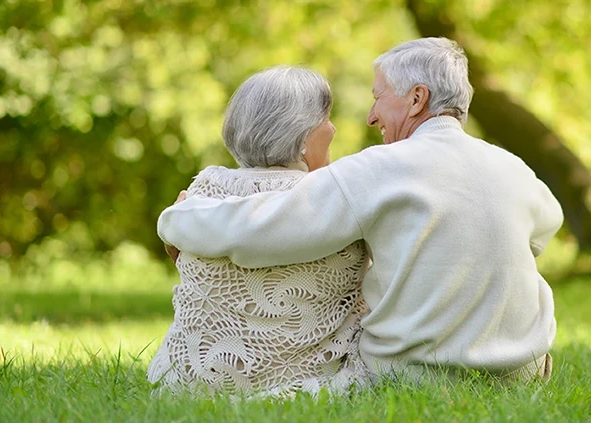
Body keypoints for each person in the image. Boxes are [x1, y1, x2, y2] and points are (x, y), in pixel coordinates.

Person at [158, 38, 563, 383]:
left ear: (417, 98)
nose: (371, 116)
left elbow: (262, 228)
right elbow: (548, 224)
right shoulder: (515, 169)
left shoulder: (378, 169)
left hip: (415, 374)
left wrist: (176, 218)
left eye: (377, 98)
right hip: (520, 373)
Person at [147, 65, 371, 398]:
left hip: (192, 379)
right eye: (325, 119)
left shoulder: (206, 189)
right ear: (304, 136)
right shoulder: (332, 199)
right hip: (306, 378)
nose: (333, 127)